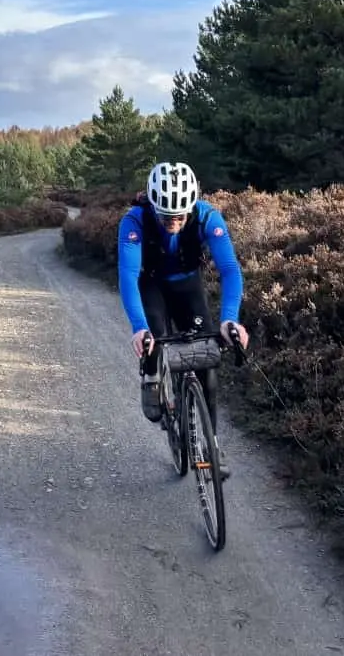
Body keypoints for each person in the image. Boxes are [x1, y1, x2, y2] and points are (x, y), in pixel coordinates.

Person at [118, 161, 248, 475]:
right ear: (152, 205)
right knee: (155, 336)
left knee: (206, 365)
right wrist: (140, 329)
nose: (173, 221)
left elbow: (230, 269)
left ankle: (212, 443)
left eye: (179, 215)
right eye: (165, 215)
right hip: (151, 285)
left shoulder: (206, 216)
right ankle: (152, 378)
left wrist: (230, 320)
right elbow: (128, 275)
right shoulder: (134, 221)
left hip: (188, 285)